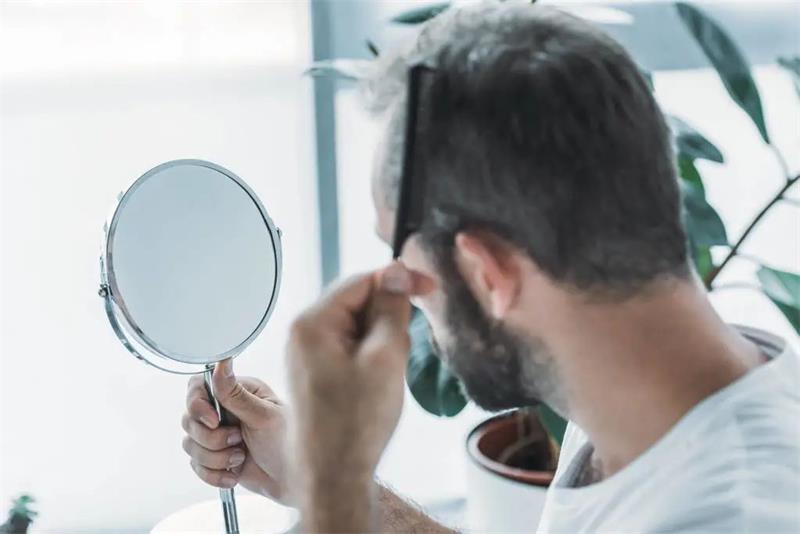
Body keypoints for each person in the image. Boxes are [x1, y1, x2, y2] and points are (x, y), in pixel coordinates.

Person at [180, 3, 800, 532]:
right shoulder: (646, 395)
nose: (407, 299)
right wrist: (330, 480)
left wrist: (334, 486)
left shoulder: (730, 515)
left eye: (405, 267)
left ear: (485, 274)